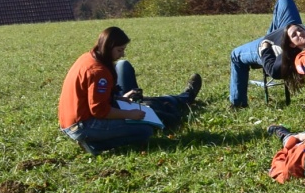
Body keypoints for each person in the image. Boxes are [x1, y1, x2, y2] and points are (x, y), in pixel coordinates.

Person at [59, 27, 201, 154]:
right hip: (83, 125)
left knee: (146, 105)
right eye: (120, 50)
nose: (122, 54)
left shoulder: (88, 58)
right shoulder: (99, 72)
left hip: (70, 122)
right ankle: (95, 145)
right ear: (108, 47)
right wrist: (130, 114)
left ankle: (181, 99)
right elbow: (99, 110)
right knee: (145, 131)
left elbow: (91, 97)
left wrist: (119, 99)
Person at [228, 0, 304, 108]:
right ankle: (271, 34)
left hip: (272, 47)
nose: (299, 33)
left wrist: (265, 47)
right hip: (286, 35)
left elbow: (273, 70)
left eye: (296, 34)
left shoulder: (282, 58)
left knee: (235, 55)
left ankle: (237, 103)